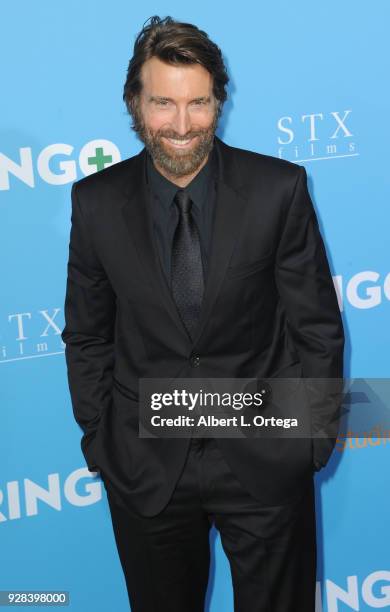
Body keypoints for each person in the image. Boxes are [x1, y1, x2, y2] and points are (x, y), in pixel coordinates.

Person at [61, 15, 344, 612]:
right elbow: (88, 334)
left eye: (199, 103)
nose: (182, 125)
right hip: (146, 465)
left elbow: (315, 325)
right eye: (163, 102)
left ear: (219, 101)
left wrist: (311, 441)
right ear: (135, 103)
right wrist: (101, 440)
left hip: (266, 455)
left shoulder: (279, 188)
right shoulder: (96, 203)